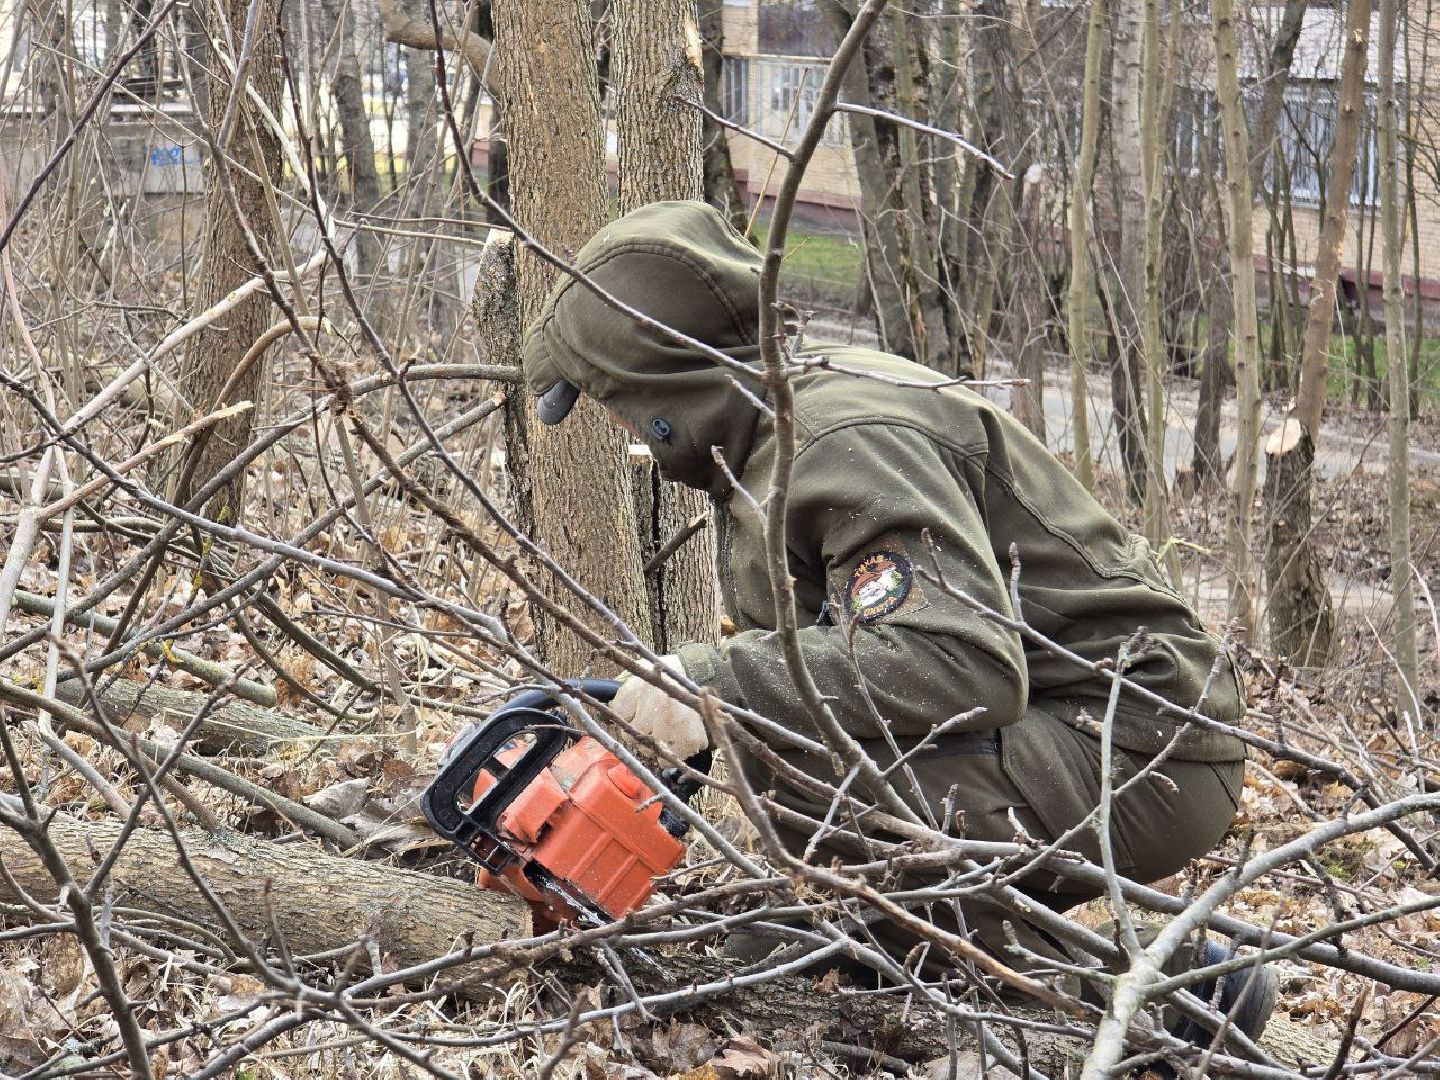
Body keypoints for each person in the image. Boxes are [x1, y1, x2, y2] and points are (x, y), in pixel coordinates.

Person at [520, 200, 1275, 1049]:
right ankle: (889, 959)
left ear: (666, 386)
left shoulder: (838, 440)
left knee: (823, 770)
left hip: (1141, 746)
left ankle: (1158, 1009)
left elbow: (959, 664)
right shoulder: (784, 419)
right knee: (799, 915)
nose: (615, 423)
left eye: (613, 398)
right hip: (1072, 731)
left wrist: (711, 685)